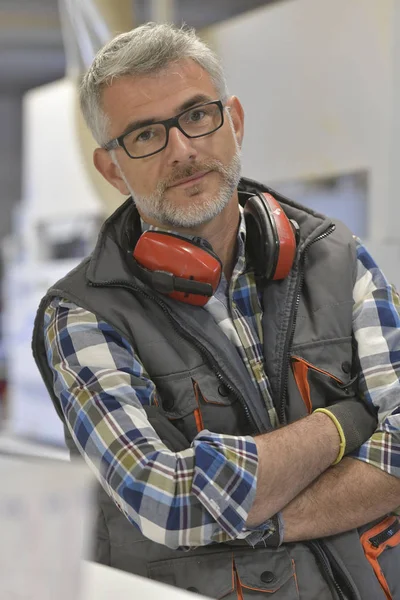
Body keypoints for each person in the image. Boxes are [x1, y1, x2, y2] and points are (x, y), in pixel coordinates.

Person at [32, 23, 400, 600]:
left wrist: (260, 516)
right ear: (111, 170)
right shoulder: (82, 315)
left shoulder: (337, 258)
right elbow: (168, 502)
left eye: (197, 115)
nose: (183, 149)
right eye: (146, 135)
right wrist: (346, 423)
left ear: (235, 121)